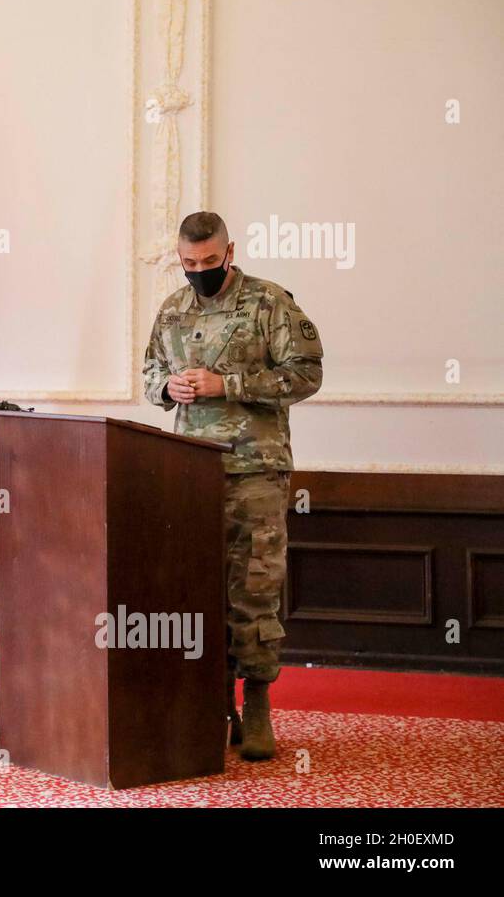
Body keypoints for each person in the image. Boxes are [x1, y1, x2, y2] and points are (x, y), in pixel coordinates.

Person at [142, 211, 324, 760]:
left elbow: (306, 373)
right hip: (191, 473)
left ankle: (258, 703)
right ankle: (215, 704)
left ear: (230, 252)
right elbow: (149, 373)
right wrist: (168, 387)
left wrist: (230, 384)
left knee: (255, 591)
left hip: (255, 471)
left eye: (209, 262)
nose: (199, 271)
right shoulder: (173, 308)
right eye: (189, 263)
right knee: (201, 592)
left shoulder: (269, 303)